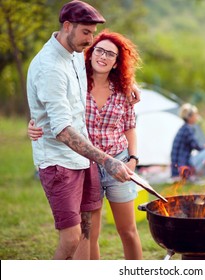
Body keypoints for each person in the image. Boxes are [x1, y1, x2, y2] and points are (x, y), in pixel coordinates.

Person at [26, 1, 134, 260]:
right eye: (86, 32)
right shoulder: (50, 67)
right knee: (72, 237)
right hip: (59, 164)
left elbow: (106, 65)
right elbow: (62, 129)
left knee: (86, 231)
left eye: (92, 33)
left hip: (83, 160)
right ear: (67, 26)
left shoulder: (73, 53)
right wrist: (108, 161)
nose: (91, 40)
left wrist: (131, 84)